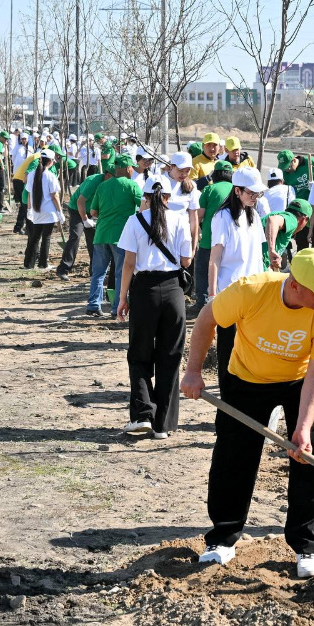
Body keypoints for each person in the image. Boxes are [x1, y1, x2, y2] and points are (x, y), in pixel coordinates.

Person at [180, 250, 314, 580]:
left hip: (301, 381)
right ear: (296, 286)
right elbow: (206, 319)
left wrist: (301, 428)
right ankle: (222, 539)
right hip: (247, 378)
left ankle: (307, 545)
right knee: (234, 458)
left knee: (309, 458)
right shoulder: (250, 290)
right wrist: (193, 371)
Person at [116, 176, 195, 438]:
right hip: (173, 290)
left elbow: (128, 263)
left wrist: (122, 297)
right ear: (168, 197)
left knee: (139, 354)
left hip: (144, 290)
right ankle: (164, 425)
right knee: (169, 357)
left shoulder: (134, 221)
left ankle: (142, 415)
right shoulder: (180, 219)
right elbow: (185, 260)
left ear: (145, 197)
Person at [207, 166, 269, 377]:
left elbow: (258, 257)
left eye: (257, 193)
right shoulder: (222, 217)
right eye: (251, 193)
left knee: (250, 344)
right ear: (237, 191)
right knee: (228, 346)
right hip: (230, 292)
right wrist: (212, 295)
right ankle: (227, 387)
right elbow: (214, 259)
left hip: (254, 292)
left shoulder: (253, 215)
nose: (255, 197)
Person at [87, 154, 142, 316]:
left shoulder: (102, 186)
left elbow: (93, 211)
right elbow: (143, 206)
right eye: (132, 167)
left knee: (98, 273)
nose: (133, 170)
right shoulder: (132, 186)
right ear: (127, 168)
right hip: (121, 237)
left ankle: (93, 305)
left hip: (101, 234)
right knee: (120, 273)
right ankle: (116, 307)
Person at [192, 161, 235, 310]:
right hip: (230, 241)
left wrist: (196, 231)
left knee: (203, 270)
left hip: (209, 239)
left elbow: (200, 215)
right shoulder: (237, 190)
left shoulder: (209, 189)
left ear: (215, 174)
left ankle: (202, 302)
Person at [57, 164, 103, 280]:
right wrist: (85, 219)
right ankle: (63, 269)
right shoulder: (93, 181)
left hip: (92, 211)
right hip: (77, 209)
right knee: (75, 236)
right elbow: (80, 202)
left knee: (94, 240)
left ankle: (94, 271)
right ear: (107, 174)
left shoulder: (111, 184)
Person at [21, 149, 62, 271]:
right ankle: (43, 264)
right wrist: (60, 212)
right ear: (51, 161)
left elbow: (29, 194)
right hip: (49, 212)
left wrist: (29, 209)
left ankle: (28, 264)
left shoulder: (32, 174)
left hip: (36, 210)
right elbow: (55, 196)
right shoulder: (50, 176)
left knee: (34, 237)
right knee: (46, 237)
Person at [264, 197, 311, 271]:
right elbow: (273, 220)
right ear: (304, 219)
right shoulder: (293, 220)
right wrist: (272, 250)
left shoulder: (280, 214)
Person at [9, 134, 33, 233]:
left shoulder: (31, 149)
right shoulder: (17, 149)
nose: (23, 140)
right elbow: (14, 160)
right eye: (22, 139)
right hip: (20, 179)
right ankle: (22, 227)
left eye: (25, 139)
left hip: (24, 178)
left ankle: (21, 227)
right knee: (25, 204)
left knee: (25, 204)